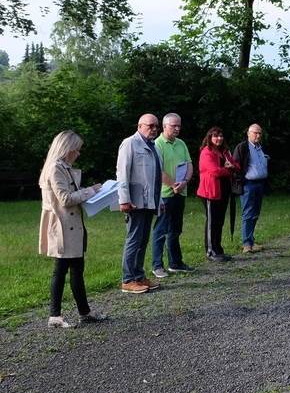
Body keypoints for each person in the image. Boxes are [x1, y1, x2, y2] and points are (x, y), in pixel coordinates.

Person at [38, 131, 107, 328]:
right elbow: (66, 199)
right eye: (77, 149)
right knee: (60, 270)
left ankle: (84, 312)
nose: (78, 154)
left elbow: (70, 194)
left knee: (77, 269)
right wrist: (90, 191)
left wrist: (90, 192)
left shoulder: (63, 167)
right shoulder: (55, 168)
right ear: (67, 149)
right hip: (62, 225)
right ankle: (55, 316)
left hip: (72, 225)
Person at [117, 113, 163, 294]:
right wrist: (124, 200)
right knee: (134, 239)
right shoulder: (130, 143)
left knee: (143, 239)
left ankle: (138, 275)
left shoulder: (154, 146)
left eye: (156, 126)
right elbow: (122, 174)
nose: (153, 129)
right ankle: (128, 279)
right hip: (135, 201)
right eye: (150, 126)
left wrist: (158, 201)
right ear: (139, 126)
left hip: (149, 201)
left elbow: (156, 178)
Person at [151, 113, 194, 277]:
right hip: (165, 193)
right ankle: (157, 265)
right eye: (173, 126)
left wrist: (185, 182)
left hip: (181, 191)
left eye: (179, 126)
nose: (177, 129)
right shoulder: (158, 144)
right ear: (164, 126)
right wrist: (172, 184)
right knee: (161, 230)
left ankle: (175, 263)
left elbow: (189, 165)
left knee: (175, 229)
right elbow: (158, 170)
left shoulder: (181, 143)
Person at [197, 127, 240, 261]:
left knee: (219, 222)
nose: (219, 138)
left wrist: (232, 167)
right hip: (211, 192)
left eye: (221, 136)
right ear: (209, 138)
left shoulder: (225, 152)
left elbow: (237, 166)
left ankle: (218, 249)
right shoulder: (206, 152)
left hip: (223, 191)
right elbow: (214, 171)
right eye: (215, 136)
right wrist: (229, 170)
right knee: (212, 222)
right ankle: (210, 251)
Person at [232, 123, 268, 254]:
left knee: (255, 213)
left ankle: (251, 240)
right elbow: (235, 166)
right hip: (248, 184)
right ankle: (246, 243)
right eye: (255, 133)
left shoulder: (261, 148)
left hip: (260, 183)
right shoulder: (242, 147)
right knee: (248, 213)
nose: (258, 135)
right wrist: (239, 181)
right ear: (248, 133)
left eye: (259, 133)